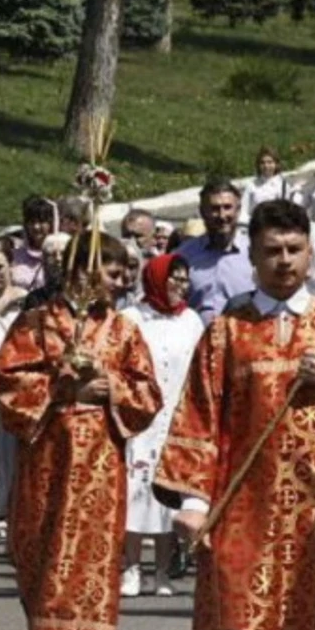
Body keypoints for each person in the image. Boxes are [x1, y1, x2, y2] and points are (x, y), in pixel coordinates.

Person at [157, 199, 315, 630]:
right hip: (242, 510)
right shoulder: (227, 332)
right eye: (272, 250)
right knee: (239, 625)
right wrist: (193, 501)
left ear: (310, 253)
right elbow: (198, 414)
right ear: (252, 256)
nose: (284, 261)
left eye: (294, 249)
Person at [0, 231, 162, 630]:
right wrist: (59, 387)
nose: (118, 280)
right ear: (82, 270)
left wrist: (114, 388)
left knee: (89, 575)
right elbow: (8, 385)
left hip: (100, 476)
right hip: (47, 467)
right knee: (43, 569)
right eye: (110, 270)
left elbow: (148, 395)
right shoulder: (36, 322)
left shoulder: (124, 330)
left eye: (122, 272)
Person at [120, 253, 205, 599]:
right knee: (135, 491)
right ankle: (131, 567)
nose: (180, 286)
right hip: (141, 416)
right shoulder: (131, 318)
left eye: (185, 280)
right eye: (174, 278)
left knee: (168, 493)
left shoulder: (192, 320)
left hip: (177, 414)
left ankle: (163, 571)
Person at [174, 180, 254, 321]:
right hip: (197, 338)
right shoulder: (184, 255)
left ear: (238, 209)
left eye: (227, 207)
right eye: (214, 209)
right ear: (202, 212)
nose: (222, 216)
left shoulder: (255, 252)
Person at [239, 146, 297, 224]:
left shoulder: (283, 185)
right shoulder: (252, 185)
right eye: (262, 163)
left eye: (270, 162)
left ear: (276, 164)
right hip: (257, 225)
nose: (266, 166)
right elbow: (243, 209)